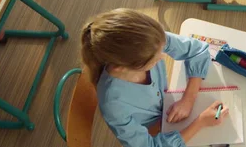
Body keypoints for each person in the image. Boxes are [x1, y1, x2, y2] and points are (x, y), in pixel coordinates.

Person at [80, 8, 229, 146]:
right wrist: (200, 123)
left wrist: (189, 99)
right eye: (154, 60)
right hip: (153, 131)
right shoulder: (113, 104)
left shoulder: (149, 41)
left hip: (169, 108)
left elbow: (198, 50)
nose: (163, 56)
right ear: (122, 67)